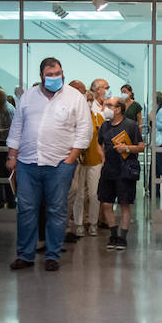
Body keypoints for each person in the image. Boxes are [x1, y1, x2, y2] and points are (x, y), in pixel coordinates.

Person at [6, 58, 90, 272]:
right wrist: (12, 155)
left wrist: (71, 159)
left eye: (58, 73)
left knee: (57, 210)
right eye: (50, 74)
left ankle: (52, 255)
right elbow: (17, 127)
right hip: (27, 162)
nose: (55, 78)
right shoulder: (28, 97)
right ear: (42, 75)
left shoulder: (75, 97)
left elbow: (84, 130)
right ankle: (25, 255)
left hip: (60, 164)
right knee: (26, 209)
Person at [97, 94, 145, 250]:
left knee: (124, 204)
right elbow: (99, 144)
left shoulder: (130, 125)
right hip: (108, 170)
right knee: (106, 203)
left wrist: (126, 148)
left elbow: (141, 146)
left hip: (125, 170)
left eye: (109, 105)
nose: (105, 108)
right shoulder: (105, 126)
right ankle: (113, 235)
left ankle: (122, 237)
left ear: (118, 109)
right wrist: (102, 156)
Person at [68, 80, 106, 238]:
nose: (88, 102)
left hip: (94, 159)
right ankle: (78, 224)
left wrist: (103, 156)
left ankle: (93, 223)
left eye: (91, 100)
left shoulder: (98, 117)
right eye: (87, 99)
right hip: (78, 159)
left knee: (94, 194)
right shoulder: (74, 116)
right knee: (78, 194)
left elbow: (101, 140)